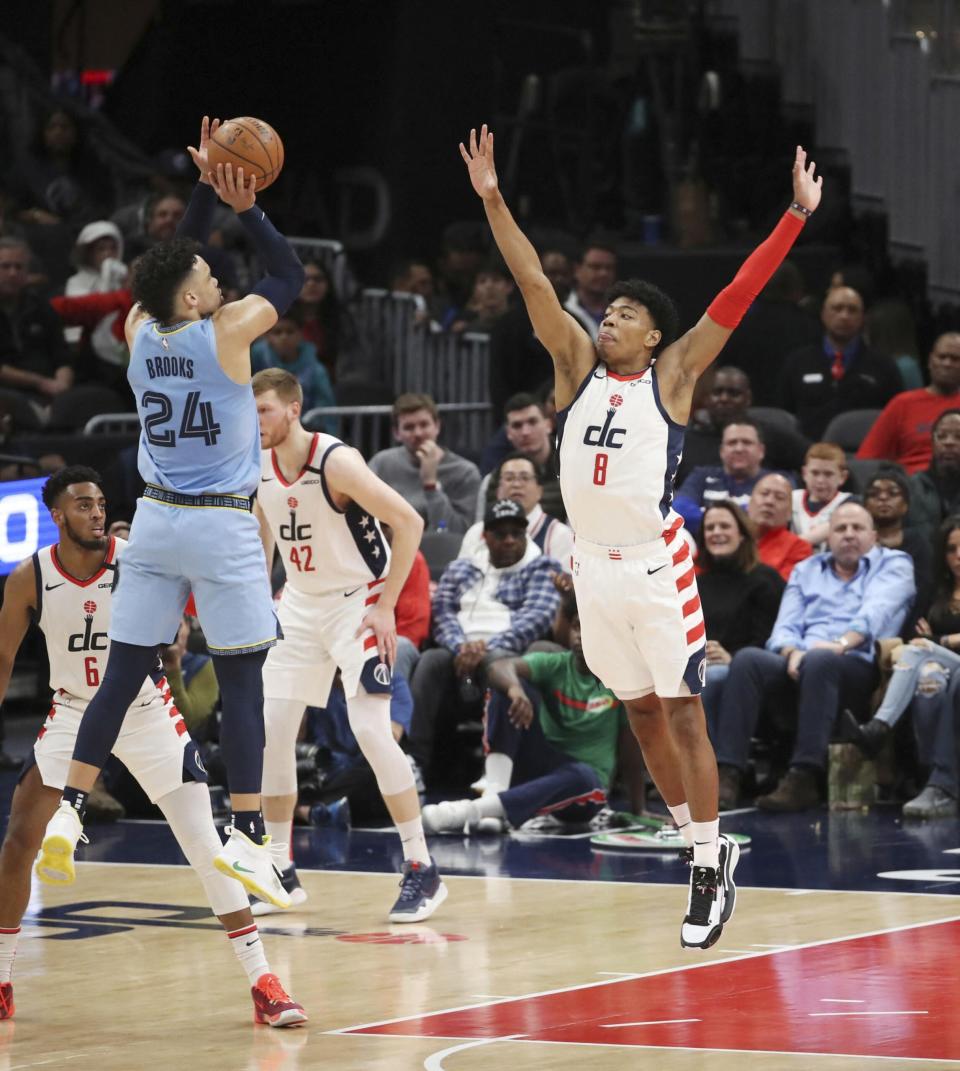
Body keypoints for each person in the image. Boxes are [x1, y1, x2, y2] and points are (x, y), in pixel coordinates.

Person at [462, 123, 821, 947]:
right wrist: (492, 200)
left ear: (654, 336)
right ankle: (697, 843)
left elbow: (736, 292)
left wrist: (793, 218)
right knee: (643, 717)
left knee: (685, 711)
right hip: (592, 568)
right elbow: (532, 285)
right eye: (609, 310)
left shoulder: (678, 375)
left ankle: (705, 857)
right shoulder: (573, 368)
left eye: (625, 314)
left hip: (658, 566)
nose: (610, 319)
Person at [35, 116, 307, 910]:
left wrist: (200, 189)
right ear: (194, 294)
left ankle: (72, 809)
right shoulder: (227, 332)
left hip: (152, 520)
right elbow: (287, 272)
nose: (220, 275)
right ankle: (253, 837)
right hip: (220, 524)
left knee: (121, 675)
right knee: (244, 677)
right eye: (208, 272)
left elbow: (163, 269)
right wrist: (245, 203)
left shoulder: (138, 328)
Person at [0, 467, 305, 1026]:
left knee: (205, 845)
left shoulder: (137, 558)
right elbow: (3, 660)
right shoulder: (29, 577)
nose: (95, 513)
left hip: (144, 710)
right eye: (83, 505)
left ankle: (264, 980)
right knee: (20, 837)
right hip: (72, 710)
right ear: (58, 515)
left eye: (100, 504)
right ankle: (1, 977)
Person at [251, 367, 446, 922]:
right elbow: (266, 528)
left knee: (370, 731)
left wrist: (384, 605)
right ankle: (279, 869)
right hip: (300, 605)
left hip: (356, 603)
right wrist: (261, 599)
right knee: (275, 731)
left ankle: (421, 869)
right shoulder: (257, 462)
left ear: (293, 409)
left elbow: (409, 522)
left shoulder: (335, 461)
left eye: (263, 410)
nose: (254, 421)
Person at [713, 503, 915, 811]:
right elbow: (784, 627)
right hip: (801, 660)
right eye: (840, 529)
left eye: (857, 528)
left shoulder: (894, 564)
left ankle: (804, 776)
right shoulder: (806, 569)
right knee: (748, 660)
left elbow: (874, 615)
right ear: (828, 537)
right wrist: (792, 651)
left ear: (873, 535)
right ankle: (728, 773)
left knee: (821, 660)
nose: (848, 535)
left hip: (857, 664)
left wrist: (836, 644)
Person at [421, 592, 637, 834]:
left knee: (583, 776)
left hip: (583, 789)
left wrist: (638, 809)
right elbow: (500, 666)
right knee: (506, 686)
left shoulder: (621, 681)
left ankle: (473, 811)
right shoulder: (556, 664)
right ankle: (496, 791)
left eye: (590, 629)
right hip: (539, 769)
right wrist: (514, 689)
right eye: (577, 627)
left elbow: (632, 750)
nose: (580, 636)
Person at [408, 499, 561, 781]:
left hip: (505, 654)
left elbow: (536, 619)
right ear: (485, 536)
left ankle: (497, 772)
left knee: (499, 662)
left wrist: (484, 648)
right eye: (501, 534)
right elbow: (442, 613)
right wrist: (460, 646)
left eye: (517, 533)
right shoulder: (461, 569)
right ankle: (414, 763)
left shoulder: (541, 567)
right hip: (457, 655)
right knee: (430, 660)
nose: (510, 540)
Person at [843, 515, 960, 818]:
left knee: (922, 650)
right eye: (951, 548)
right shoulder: (936, 593)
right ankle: (934, 779)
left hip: (945, 656)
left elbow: (928, 638)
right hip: (946, 667)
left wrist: (941, 640)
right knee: (928, 678)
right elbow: (912, 633)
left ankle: (879, 729)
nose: (958, 555)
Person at [695, 502, 785, 744]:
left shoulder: (765, 579)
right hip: (697, 665)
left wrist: (731, 657)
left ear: (743, 535)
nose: (716, 532)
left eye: (724, 526)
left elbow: (770, 635)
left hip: (745, 668)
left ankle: (714, 767)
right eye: (710, 527)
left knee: (712, 680)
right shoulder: (696, 582)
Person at [779, 286, 903, 441]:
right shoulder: (799, 361)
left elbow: (896, 417)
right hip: (808, 453)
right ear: (823, 314)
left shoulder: (883, 365)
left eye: (852, 310)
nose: (844, 316)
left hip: (862, 455)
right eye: (837, 309)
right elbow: (784, 413)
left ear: (863, 317)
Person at [368, 392, 480, 534]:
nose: (418, 433)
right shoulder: (381, 463)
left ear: (437, 426)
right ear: (396, 433)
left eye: (424, 425)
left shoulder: (465, 472)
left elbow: (460, 533)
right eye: (409, 427)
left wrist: (431, 485)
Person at [676, 365, 808, 485]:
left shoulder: (772, 435)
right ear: (706, 398)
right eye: (717, 392)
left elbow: (815, 459)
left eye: (733, 393)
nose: (724, 399)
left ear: (748, 398)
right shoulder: (685, 441)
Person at [856, 333, 960, 474]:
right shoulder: (902, 404)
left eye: (955, 359)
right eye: (942, 357)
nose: (947, 363)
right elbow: (866, 459)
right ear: (930, 361)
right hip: (911, 485)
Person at [0, 236, 76, 429]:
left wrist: (62, 385)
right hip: (9, 393)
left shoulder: (41, 307)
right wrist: (40, 383)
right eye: (5, 266)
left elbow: (63, 358)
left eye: (19, 267)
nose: (13, 273)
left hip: (48, 391)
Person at [460, 453, 573, 566]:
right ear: (498, 490)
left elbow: (565, 581)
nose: (517, 484)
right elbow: (458, 576)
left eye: (525, 478)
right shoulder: (477, 532)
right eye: (509, 478)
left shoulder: (559, 534)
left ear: (540, 491)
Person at [476, 392, 565, 521]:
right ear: (508, 434)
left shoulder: (571, 473)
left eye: (532, 422)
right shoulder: (492, 481)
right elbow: (482, 531)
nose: (525, 432)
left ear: (548, 425)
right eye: (517, 425)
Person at [862, 467, 932, 630]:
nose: (883, 498)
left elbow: (923, 593)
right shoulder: (858, 541)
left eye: (893, 493)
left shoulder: (919, 543)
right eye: (874, 494)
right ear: (865, 505)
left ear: (906, 505)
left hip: (907, 624)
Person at [673, 419, 774, 529]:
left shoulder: (775, 481)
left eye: (747, 442)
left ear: (761, 450)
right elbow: (680, 511)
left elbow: (769, 516)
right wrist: (742, 516)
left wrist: (707, 516)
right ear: (722, 451)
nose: (739, 449)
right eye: (732, 443)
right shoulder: (701, 476)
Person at [250, 301, 336, 423]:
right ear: (267, 336)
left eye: (290, 332)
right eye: (277, 332)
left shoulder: (316, 371)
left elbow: (326, 412)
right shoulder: (255, 358)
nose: (284, 337)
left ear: (300, 334)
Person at [747, 473, 813, 580]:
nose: (769, 502)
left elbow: (781, 590)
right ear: (750, 503)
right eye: (764, 494)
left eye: (779, 497)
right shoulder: (732, 538)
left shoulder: (799, 548)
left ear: (789, 513)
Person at [906, 409, 960, 538]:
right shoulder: (913, 486)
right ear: (933, 443)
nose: (948, 442)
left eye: (959, 437)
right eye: (941, 436)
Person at [791, 442, 852, 549]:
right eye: (815, 473)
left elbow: (835, 525)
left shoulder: (850, 503)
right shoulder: (790, 499)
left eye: (828, 474)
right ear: (804, 473)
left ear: (842, 477)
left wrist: (792, 546)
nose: (820, 480)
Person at [563, 240, 618, 341]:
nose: (603, 273)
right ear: (577, 270)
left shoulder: (625, 313)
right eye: (595, 267)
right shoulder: (560, 309)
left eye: (609, 268)